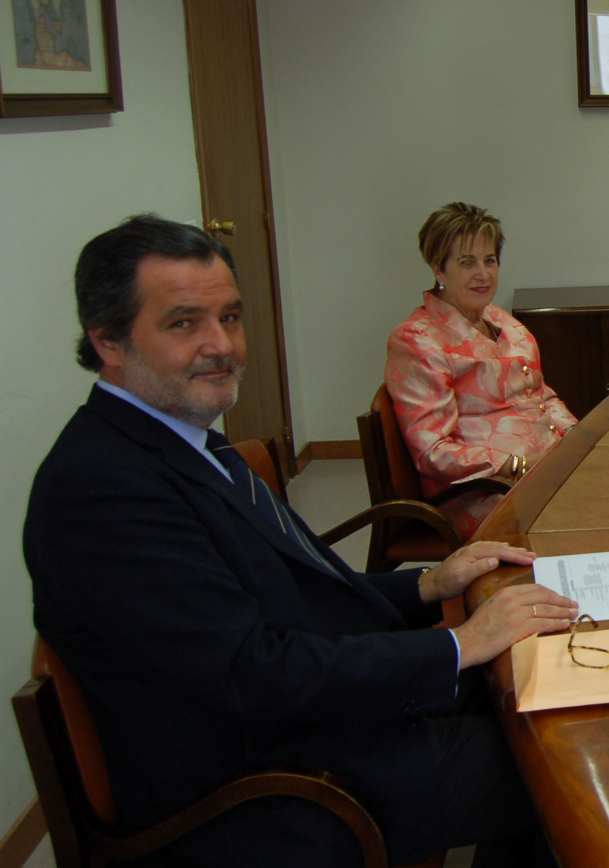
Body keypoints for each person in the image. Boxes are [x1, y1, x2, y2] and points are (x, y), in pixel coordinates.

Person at [24, 216, 579, 867]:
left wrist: (429, 584)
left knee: (547, 700)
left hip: (311, 719)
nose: (221, 345)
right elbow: (254, 679)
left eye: (230, 318)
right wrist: (454, 645)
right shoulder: (101, 491)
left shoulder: (181, 435)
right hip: (269, 787)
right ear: (109, 341)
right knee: (564, 764)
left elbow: (293, 594)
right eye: (184, 323)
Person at [387, 203, 576, 538]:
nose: (483, 274)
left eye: (489, 260)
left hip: (547, 471)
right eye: (466, 262)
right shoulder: (418, 340)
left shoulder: (501, 321)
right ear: (437, 269)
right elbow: (433, 452)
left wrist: (575, 437)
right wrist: (518, 467)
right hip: (483, 493)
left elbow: (540, 394)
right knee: (595, 518)